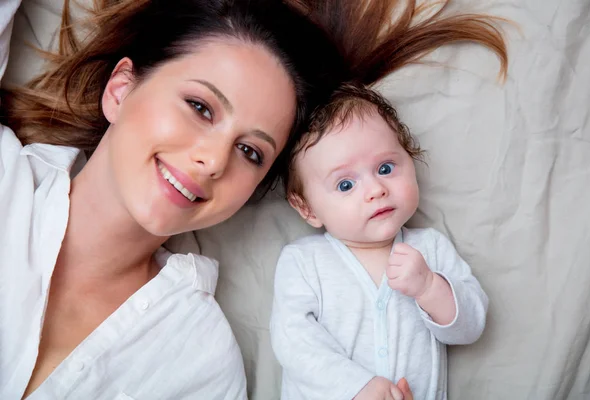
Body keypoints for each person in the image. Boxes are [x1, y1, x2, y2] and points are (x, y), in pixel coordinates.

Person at [0, 0, 348, 398]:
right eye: (200, 107)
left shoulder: (202, 363)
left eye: (250, 152)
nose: (215, 161)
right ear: (121, 90)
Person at [269, 1, 509, 399]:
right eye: (345, 185)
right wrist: (357, 386)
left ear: (410, 160)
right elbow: (293, 340)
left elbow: (472, 326)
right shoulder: (304, 263)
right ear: (307, 208)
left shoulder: (429, 249)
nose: (375, 189)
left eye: (385, 168)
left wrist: (430, 287)